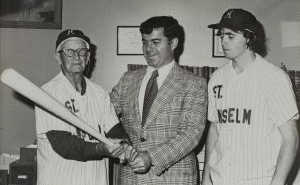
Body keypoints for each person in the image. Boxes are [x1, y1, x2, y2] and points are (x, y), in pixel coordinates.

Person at [202, 8, 299, 185]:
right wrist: (206, 176)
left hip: (259, 179)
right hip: (221, 178)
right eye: (221, 35)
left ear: (248, 37)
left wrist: (277, 182)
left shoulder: (273, 77)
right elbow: (214, 129)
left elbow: (291, 138)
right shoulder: (217, 78)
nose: (223, 41)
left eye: (230, 36)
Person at [110, 16, 208, 184]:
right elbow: (104, 113)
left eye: (155, 42)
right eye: (144, 42)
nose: (148, 49)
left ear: (174, 43)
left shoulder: (194, 83)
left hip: (173, 179)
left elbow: (190, 134)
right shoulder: (128, 80)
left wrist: (151, 157)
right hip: (129, 178)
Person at [35, 29, 135, 185]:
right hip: (60, 179)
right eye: (69, 52)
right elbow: (64, 145)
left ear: (88, 57)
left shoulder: (99, 93)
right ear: (58, 57)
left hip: (96, 179)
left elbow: (114, 128)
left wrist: (123, 144)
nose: (76, 56)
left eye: (81, 51)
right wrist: (102, 148)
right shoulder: (48, 94)